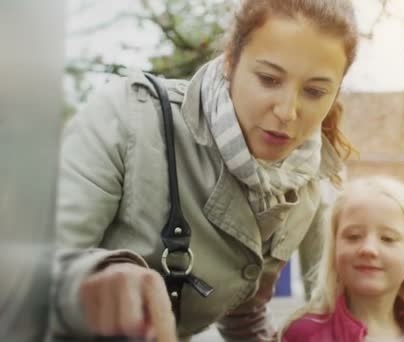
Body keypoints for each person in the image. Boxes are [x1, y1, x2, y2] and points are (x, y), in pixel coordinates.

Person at [49, 1, 359, 341]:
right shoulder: (127, 118)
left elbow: (244, 310)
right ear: (230, 61)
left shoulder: (306, 186)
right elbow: (30, 273)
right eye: (269, 79)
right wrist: (100, 277)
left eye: (315, 91)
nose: (287, 111)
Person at [281, 176, 404, 342]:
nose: (368, 249)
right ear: (334, 248)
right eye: (353, 236)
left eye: (387, 238)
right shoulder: (303, 335)